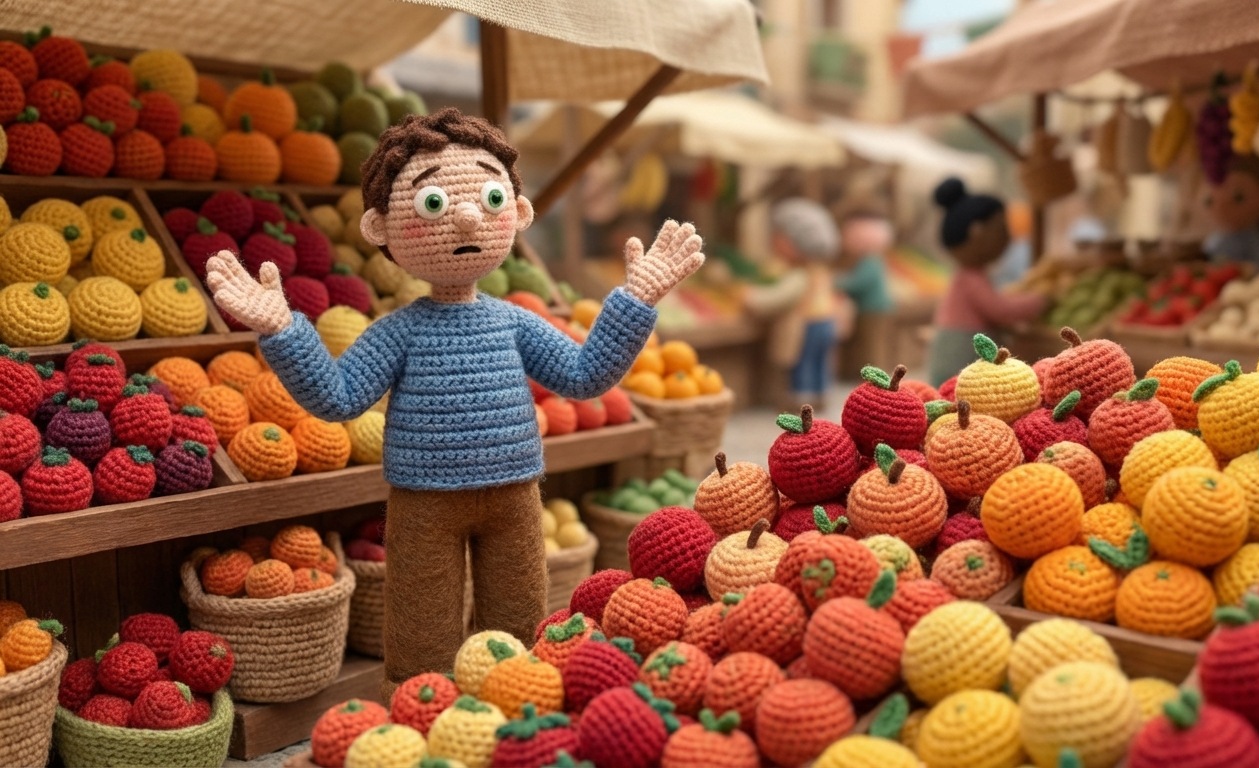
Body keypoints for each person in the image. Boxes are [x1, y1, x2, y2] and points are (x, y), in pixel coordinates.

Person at [204, 109, 704, 694]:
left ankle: (517, 703)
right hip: (423, 502)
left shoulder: (513, 322)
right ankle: (423, 714)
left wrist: (633, 302)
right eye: (433, 204)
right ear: (380, 227)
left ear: (516, 214)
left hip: (513, 492)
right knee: (421, 633)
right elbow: (339, 398)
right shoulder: (400, 331)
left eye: (489, 196)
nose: (467, 215)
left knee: (519, 625)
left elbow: (584, 374)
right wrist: (284, 332)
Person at [927, 178, 1047, 386]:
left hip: (954, 348)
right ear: (978, 231)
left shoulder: (970, 276)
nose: (1007, 238)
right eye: (1001, 230)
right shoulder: (971, 279)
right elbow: (1000, 310)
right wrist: (1040, 300)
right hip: (960, 350)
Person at [744, 198, 852, 410]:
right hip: (828, 322)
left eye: (779, 236)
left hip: (808, 326)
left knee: (804, 363)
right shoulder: (821, 270)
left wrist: (752, 298)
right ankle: (821, 394)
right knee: (821, 362)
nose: (774, 241)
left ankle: (802, 401)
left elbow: (781, 297)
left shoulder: (799, 275)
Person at [835, 201, 896, 373]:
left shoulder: (871, 261)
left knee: (872, 345)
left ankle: (876, 376)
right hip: (872, 309)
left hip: (874, 310)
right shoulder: (870, 259)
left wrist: (835, 282)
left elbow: (859, 283)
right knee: (869, 344)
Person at [1202, 157, 1259, 271]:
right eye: (1210, 201)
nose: (1221, 207)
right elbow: (1208, 257)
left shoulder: (1253, 241)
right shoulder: (1216, 238)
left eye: (1238, 198)